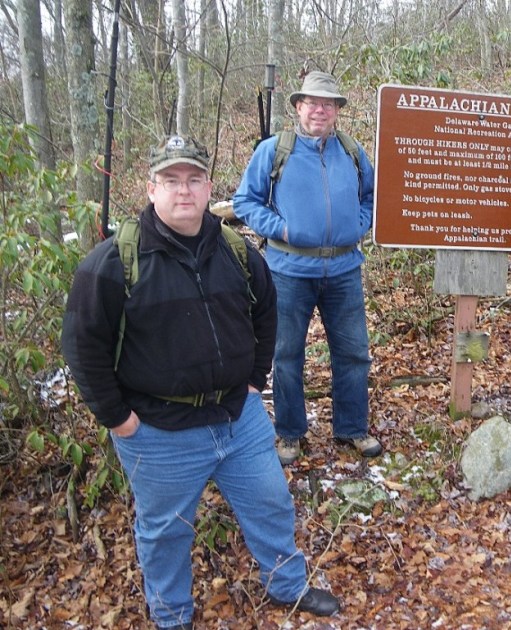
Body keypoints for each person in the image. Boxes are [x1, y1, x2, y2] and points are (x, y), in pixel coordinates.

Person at [61, 135, 340, 629]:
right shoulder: (111, 264)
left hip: (240, 418)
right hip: (158, 430)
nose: (183, 191)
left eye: (193, 179)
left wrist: (255, 380)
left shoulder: (235, 251)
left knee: (272, 504)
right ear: (151, 189)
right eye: (171, 180)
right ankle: (172, 617)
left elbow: (266, 312)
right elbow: (83, 349)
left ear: (210, 186)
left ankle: (287, 586)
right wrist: (120, 421)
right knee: (165, 532)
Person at [233, 71, 382, 466]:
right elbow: (245, 201)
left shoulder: (351, 151)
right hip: (288, 271)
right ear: (298, 107)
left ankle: (352, 427)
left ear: (336, 111)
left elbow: (372, 195)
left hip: (345, 268)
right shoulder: (274, 150)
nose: (320, 109)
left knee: (353, 353)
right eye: (312, 102)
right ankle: (290, 432)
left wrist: (360, 223)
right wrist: (281, 228)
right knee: (285, 354)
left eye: (328, 103)